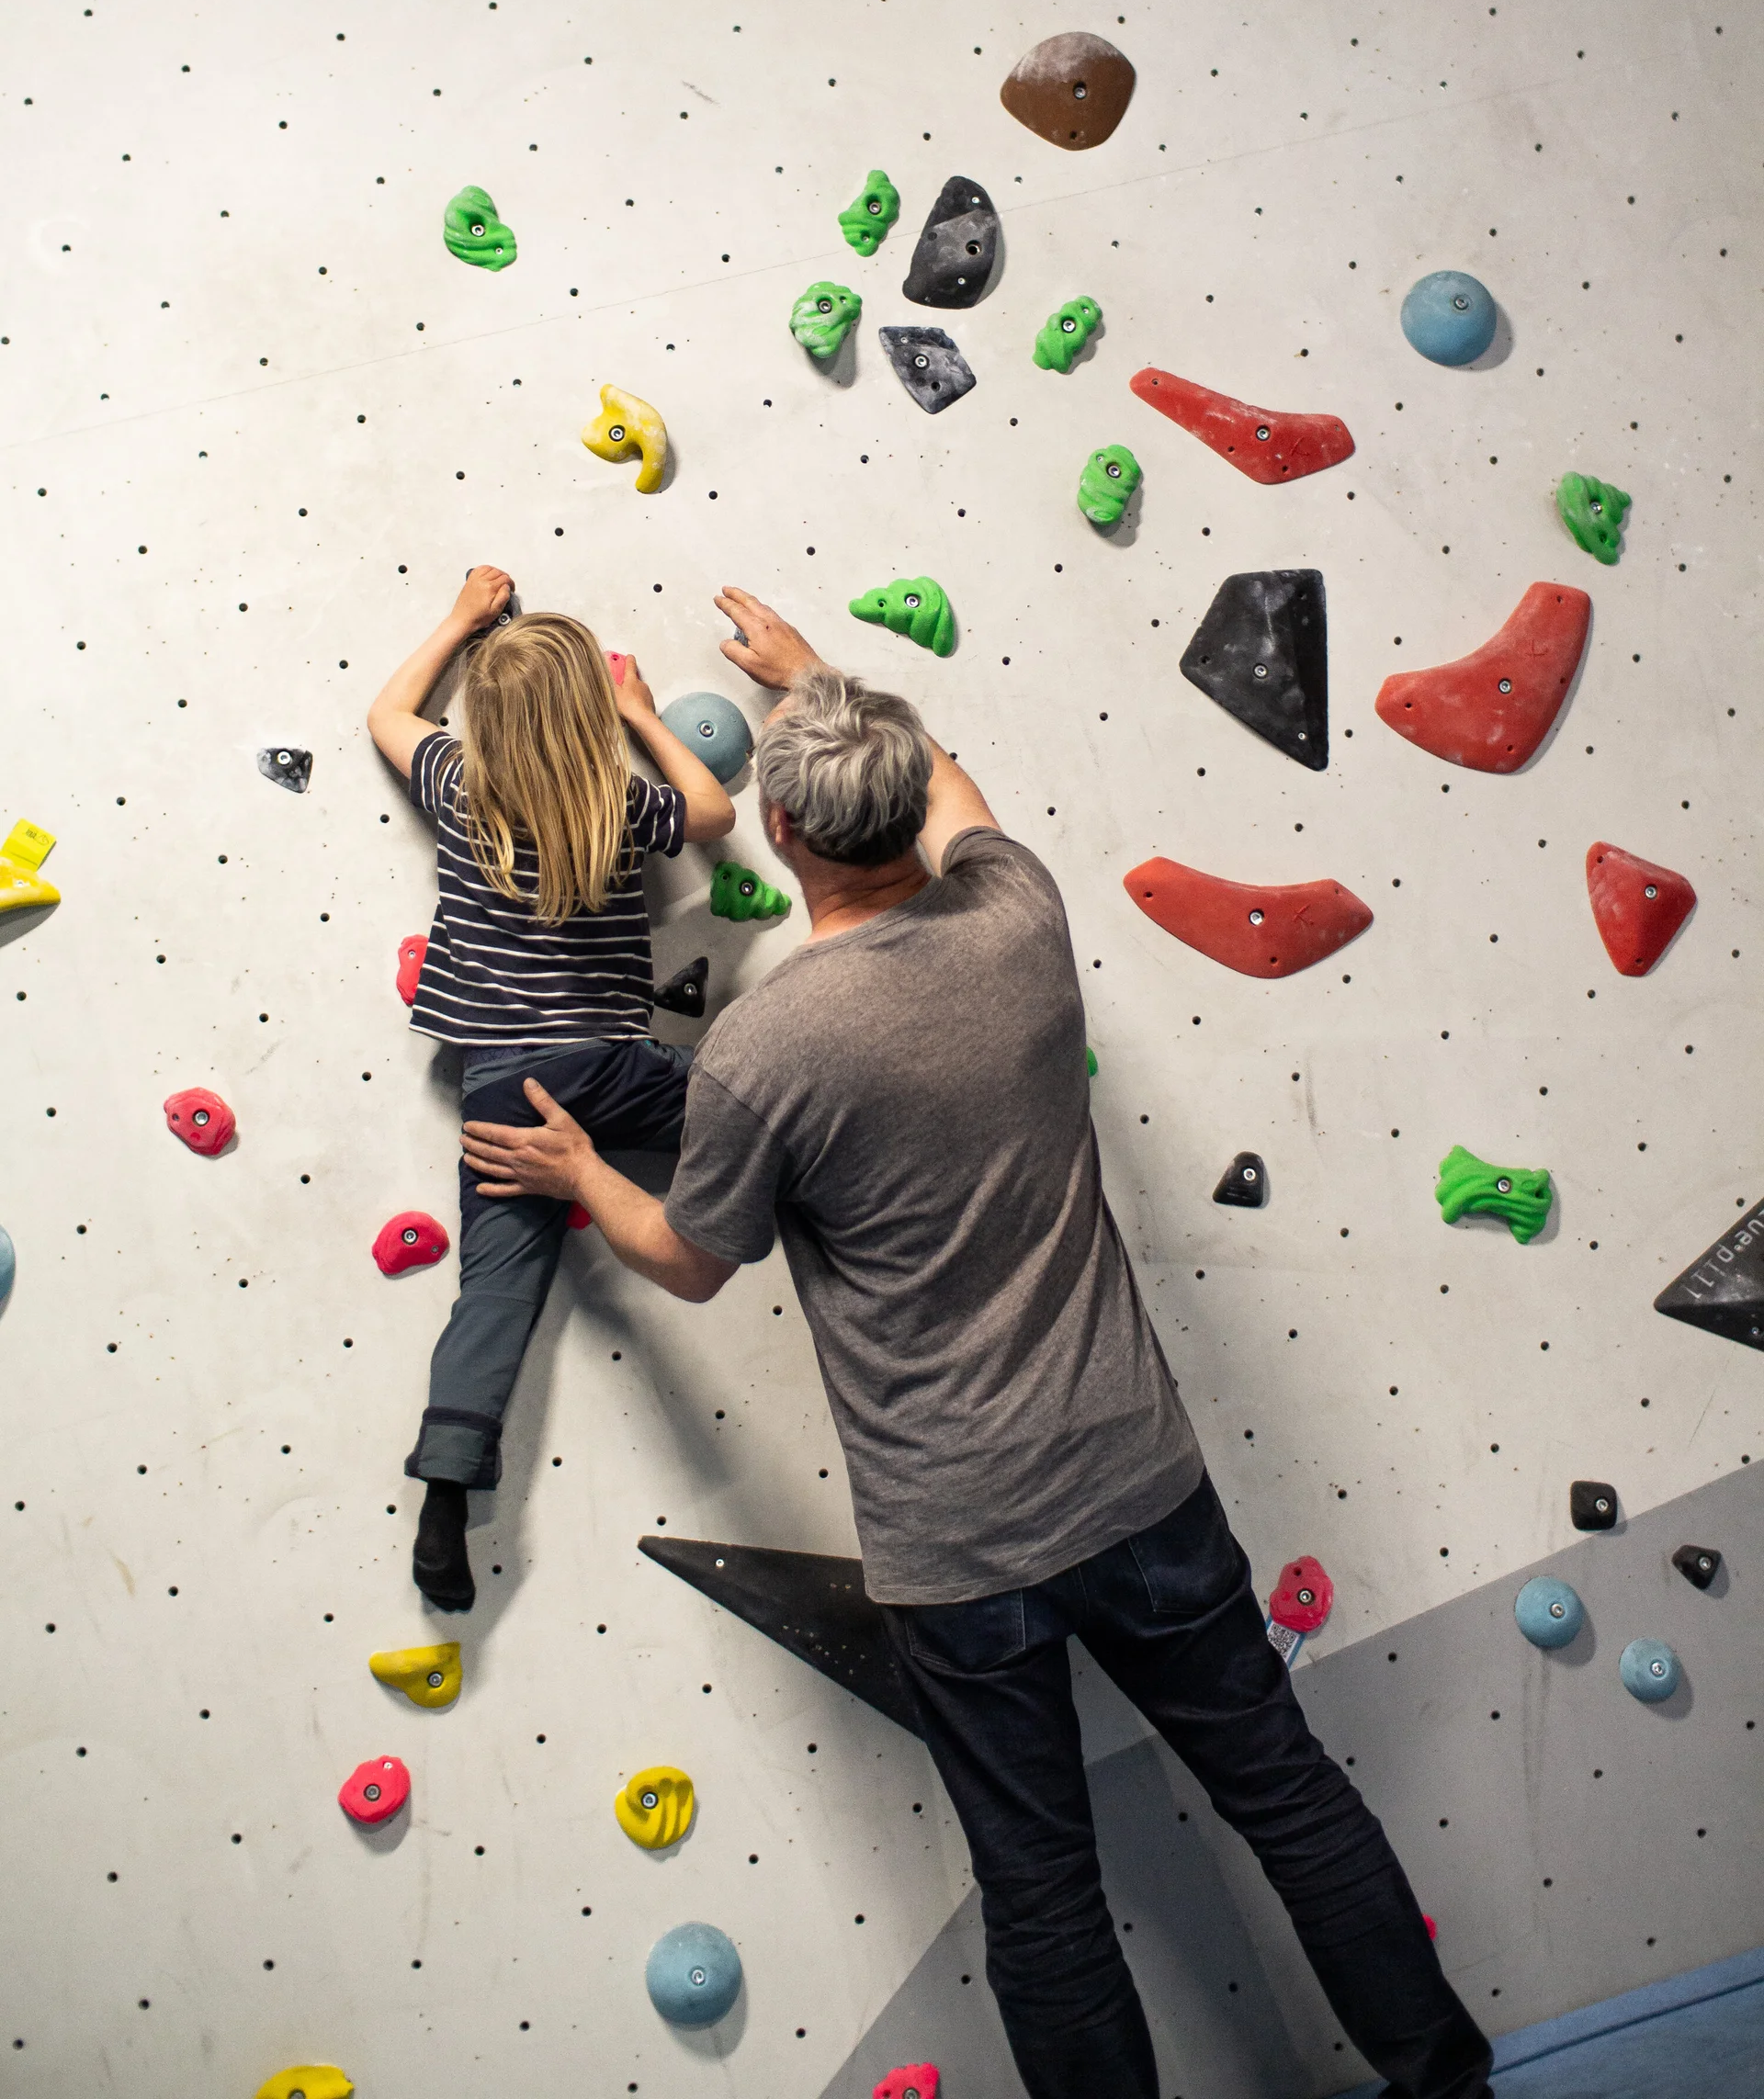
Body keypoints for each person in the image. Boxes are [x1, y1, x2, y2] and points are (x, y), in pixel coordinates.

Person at [460, 586, 1495, 2099]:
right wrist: (824, 683)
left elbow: (689, 1262)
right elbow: (958, 794)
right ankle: (1451, 2085)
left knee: (1044, 1895)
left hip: (960, 1549)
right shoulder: (1020, 915)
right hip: (1140, 1487)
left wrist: (579, 1176)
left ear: (789, 837)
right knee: (1286, 1795)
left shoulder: (765, 1051)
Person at [367, 566, 735, 1612]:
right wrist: (640, 715)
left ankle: (446, 1490)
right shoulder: (614, 800)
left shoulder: (459, 787)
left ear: (483, 717)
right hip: (613, 1066)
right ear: (584, 714)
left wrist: (458, 621)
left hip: (504, 1092)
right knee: (754, 1125)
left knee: (495, 1292)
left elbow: (387, 712)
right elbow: (711, 813)